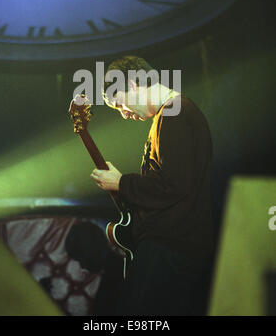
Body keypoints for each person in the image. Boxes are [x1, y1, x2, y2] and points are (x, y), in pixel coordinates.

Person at [89, 55, 214, 316]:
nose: (124, 114)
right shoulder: (170, 114)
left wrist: (122, 182)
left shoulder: (174, 112)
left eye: (120, 104)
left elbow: (171, 185)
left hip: (170, 248)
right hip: (174, 246)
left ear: (133, 84)